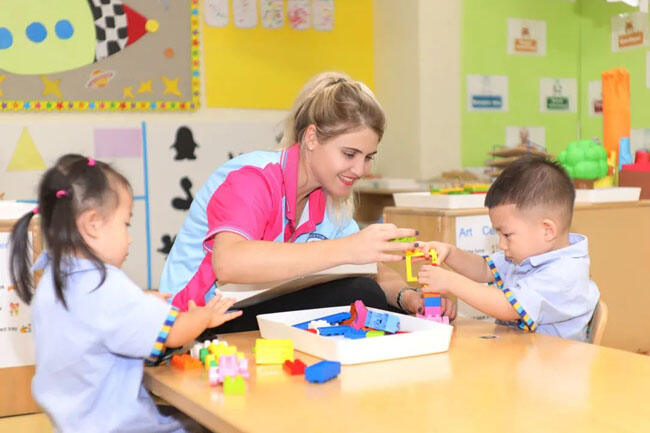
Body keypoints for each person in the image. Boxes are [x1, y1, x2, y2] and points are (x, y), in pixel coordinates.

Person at [159, 71, 450, 331]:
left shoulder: (326, 200)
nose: (361, 170)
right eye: (349, 154)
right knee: (361, 294)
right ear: (311, 138)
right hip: (192, 321)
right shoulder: (252, 177)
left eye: (368, 157)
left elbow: (370, 268)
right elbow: (228, 263)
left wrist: (407, 298)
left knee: (370, 297)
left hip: (241, 310)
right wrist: (347, 249)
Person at [10, 154, 241, 433]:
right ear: (93, 224)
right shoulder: (105, 286)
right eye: (125, 223)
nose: (129, 238)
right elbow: (175, 332)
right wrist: (202, 316)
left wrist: (140, 301)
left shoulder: (52, 279)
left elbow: (97, 319)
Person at [416, 155, 599, 341]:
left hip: (553, 359)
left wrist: (451, 282)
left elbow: (507, 307)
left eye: (507, 235)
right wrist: (450, 253)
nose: (501, 244)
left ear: (547, 230)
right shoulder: (527, 256)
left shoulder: (565, 274)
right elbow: (483, 268)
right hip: (521, 351)